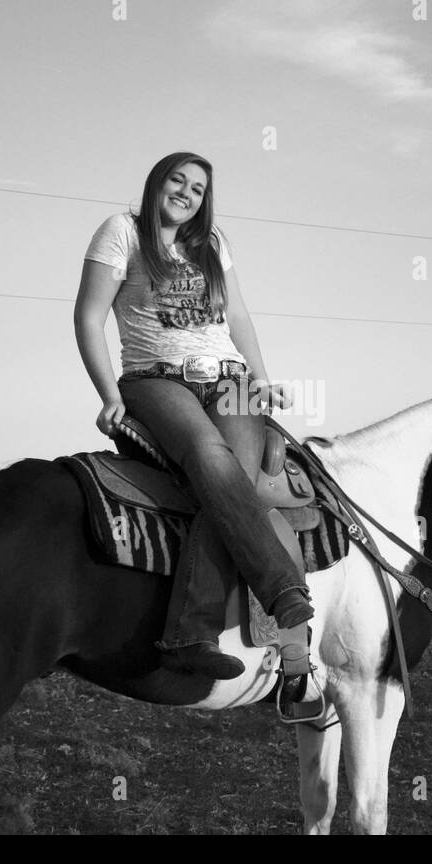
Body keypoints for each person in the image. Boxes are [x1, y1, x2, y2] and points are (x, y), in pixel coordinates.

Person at [73, 152, 314, 679]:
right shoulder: (122, 232)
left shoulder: (213, 244)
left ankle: (190, 636)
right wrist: (108, 392)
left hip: (230, 377)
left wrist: (262, 375)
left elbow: (240, 315)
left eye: (199, 189)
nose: (186, 193)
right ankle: (282, 588)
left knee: (230, 484)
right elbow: (89, 316)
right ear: (156, 183)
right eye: (177, 181)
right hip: (157, 378)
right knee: (210, 456)